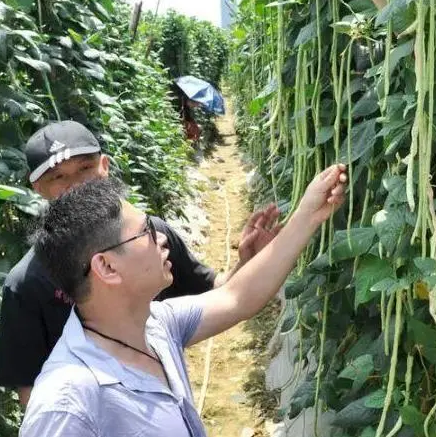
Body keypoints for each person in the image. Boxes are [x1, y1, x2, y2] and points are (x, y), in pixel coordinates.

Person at [19, 164, 348, 437]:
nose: (162, 238)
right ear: (106, 266)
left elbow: (237, 297)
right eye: (146, 231)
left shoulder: (157, 324)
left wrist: (309, 215)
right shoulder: (65, 405)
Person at [0, 120, 280, 406]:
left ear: (104, 166)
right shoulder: (26, 285)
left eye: (85, 168)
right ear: (37, 187)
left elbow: (219, 293)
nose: (77, 186)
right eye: (58, 178)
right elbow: (32, 396)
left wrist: (247, 261)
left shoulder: (151, 238)